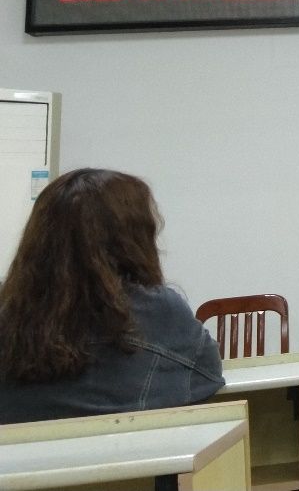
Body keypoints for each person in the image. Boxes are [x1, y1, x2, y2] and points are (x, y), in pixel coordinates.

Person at [0, 167, 224, 424]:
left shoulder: (9, 316)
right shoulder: (160, 312)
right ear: (133, 240)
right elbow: (208, 376)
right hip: (135, 449)